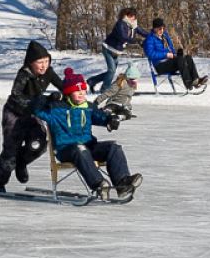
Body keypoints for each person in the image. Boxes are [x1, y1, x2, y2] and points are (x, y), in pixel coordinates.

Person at [39, 68, 142, 200]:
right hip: (66, 149)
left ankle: (122, 183)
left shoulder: (87, 107)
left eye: (83, 91)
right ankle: (99, 185)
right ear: (68, 93)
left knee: (114, 147)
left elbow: (101, 117)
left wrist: (111, 120)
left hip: (88, 146)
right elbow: (35, 108)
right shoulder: (56, 109)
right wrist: (47, 100)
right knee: (79, 148)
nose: (82, 94)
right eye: (78, 91)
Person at [0, 41, 60, 192]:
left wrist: (72, 95)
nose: (44, 66)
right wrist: (42, 100)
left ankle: (21, 162)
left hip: (32, 114)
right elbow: (16, 95)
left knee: (40, 144)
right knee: (10, 151)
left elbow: (63, 86)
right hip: (14, 115)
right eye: (40, 62)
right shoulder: (24, 74)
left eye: (46, 61)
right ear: (31, 63)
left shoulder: (49, 72)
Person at [142, 18, 207, 91]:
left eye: (163, 28)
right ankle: (188, 83)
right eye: (159, 28)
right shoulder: (150, 39)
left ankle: (196, 80)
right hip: (160, 65)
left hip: (170, 62)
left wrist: (176, 54)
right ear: (155, 29)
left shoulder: (165, 36)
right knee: (180, 60)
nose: (162, 30)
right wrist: (165, 55)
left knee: (187, 57)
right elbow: (150, 54)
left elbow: (171, 50)